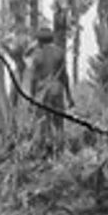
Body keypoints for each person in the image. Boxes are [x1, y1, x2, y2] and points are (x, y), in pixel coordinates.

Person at [27, 27, 75, 158]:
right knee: (59, 124)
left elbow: (33, 79)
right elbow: (65, 76)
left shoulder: (37, 55)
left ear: (39, 41)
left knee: (44, 123)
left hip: (43, 92)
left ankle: (47, 154)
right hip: (57, 89)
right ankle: (59, 153)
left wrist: (31, 100)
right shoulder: (59, 52)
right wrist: (69, 96)